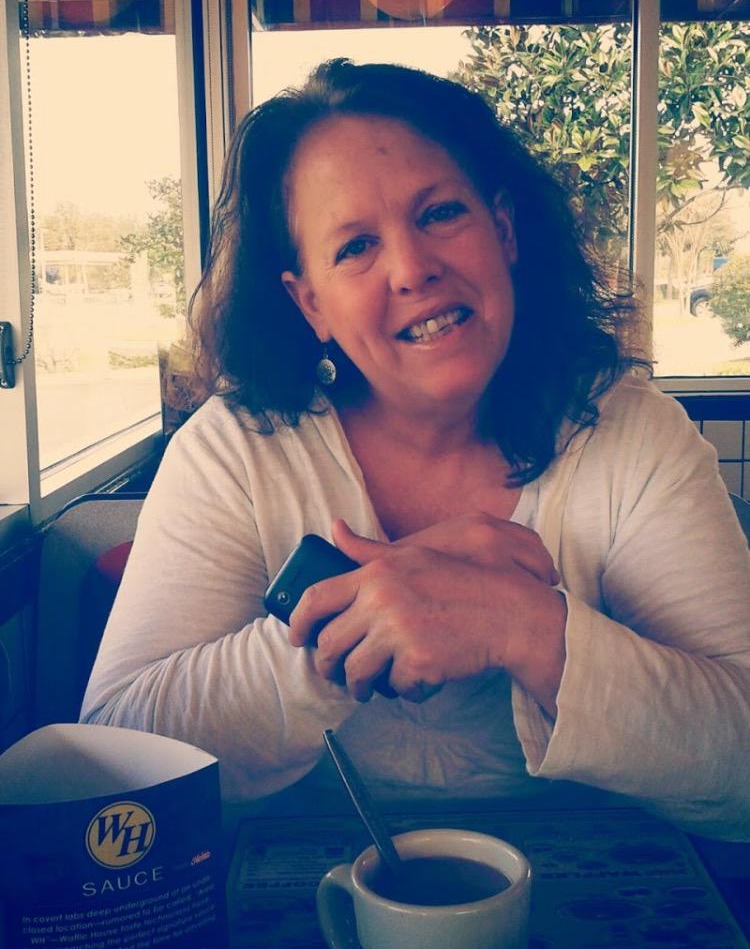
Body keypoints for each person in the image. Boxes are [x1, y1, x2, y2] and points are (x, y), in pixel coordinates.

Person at [81, 59, 750, 839]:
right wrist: (361, 622)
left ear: (504, 232)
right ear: (310, 303)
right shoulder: (235, 453)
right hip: (311, 891)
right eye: (356, 246)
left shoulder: (633, 434)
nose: (412, 269)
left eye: (439, 214)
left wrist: (523, 625)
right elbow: (115, 767)